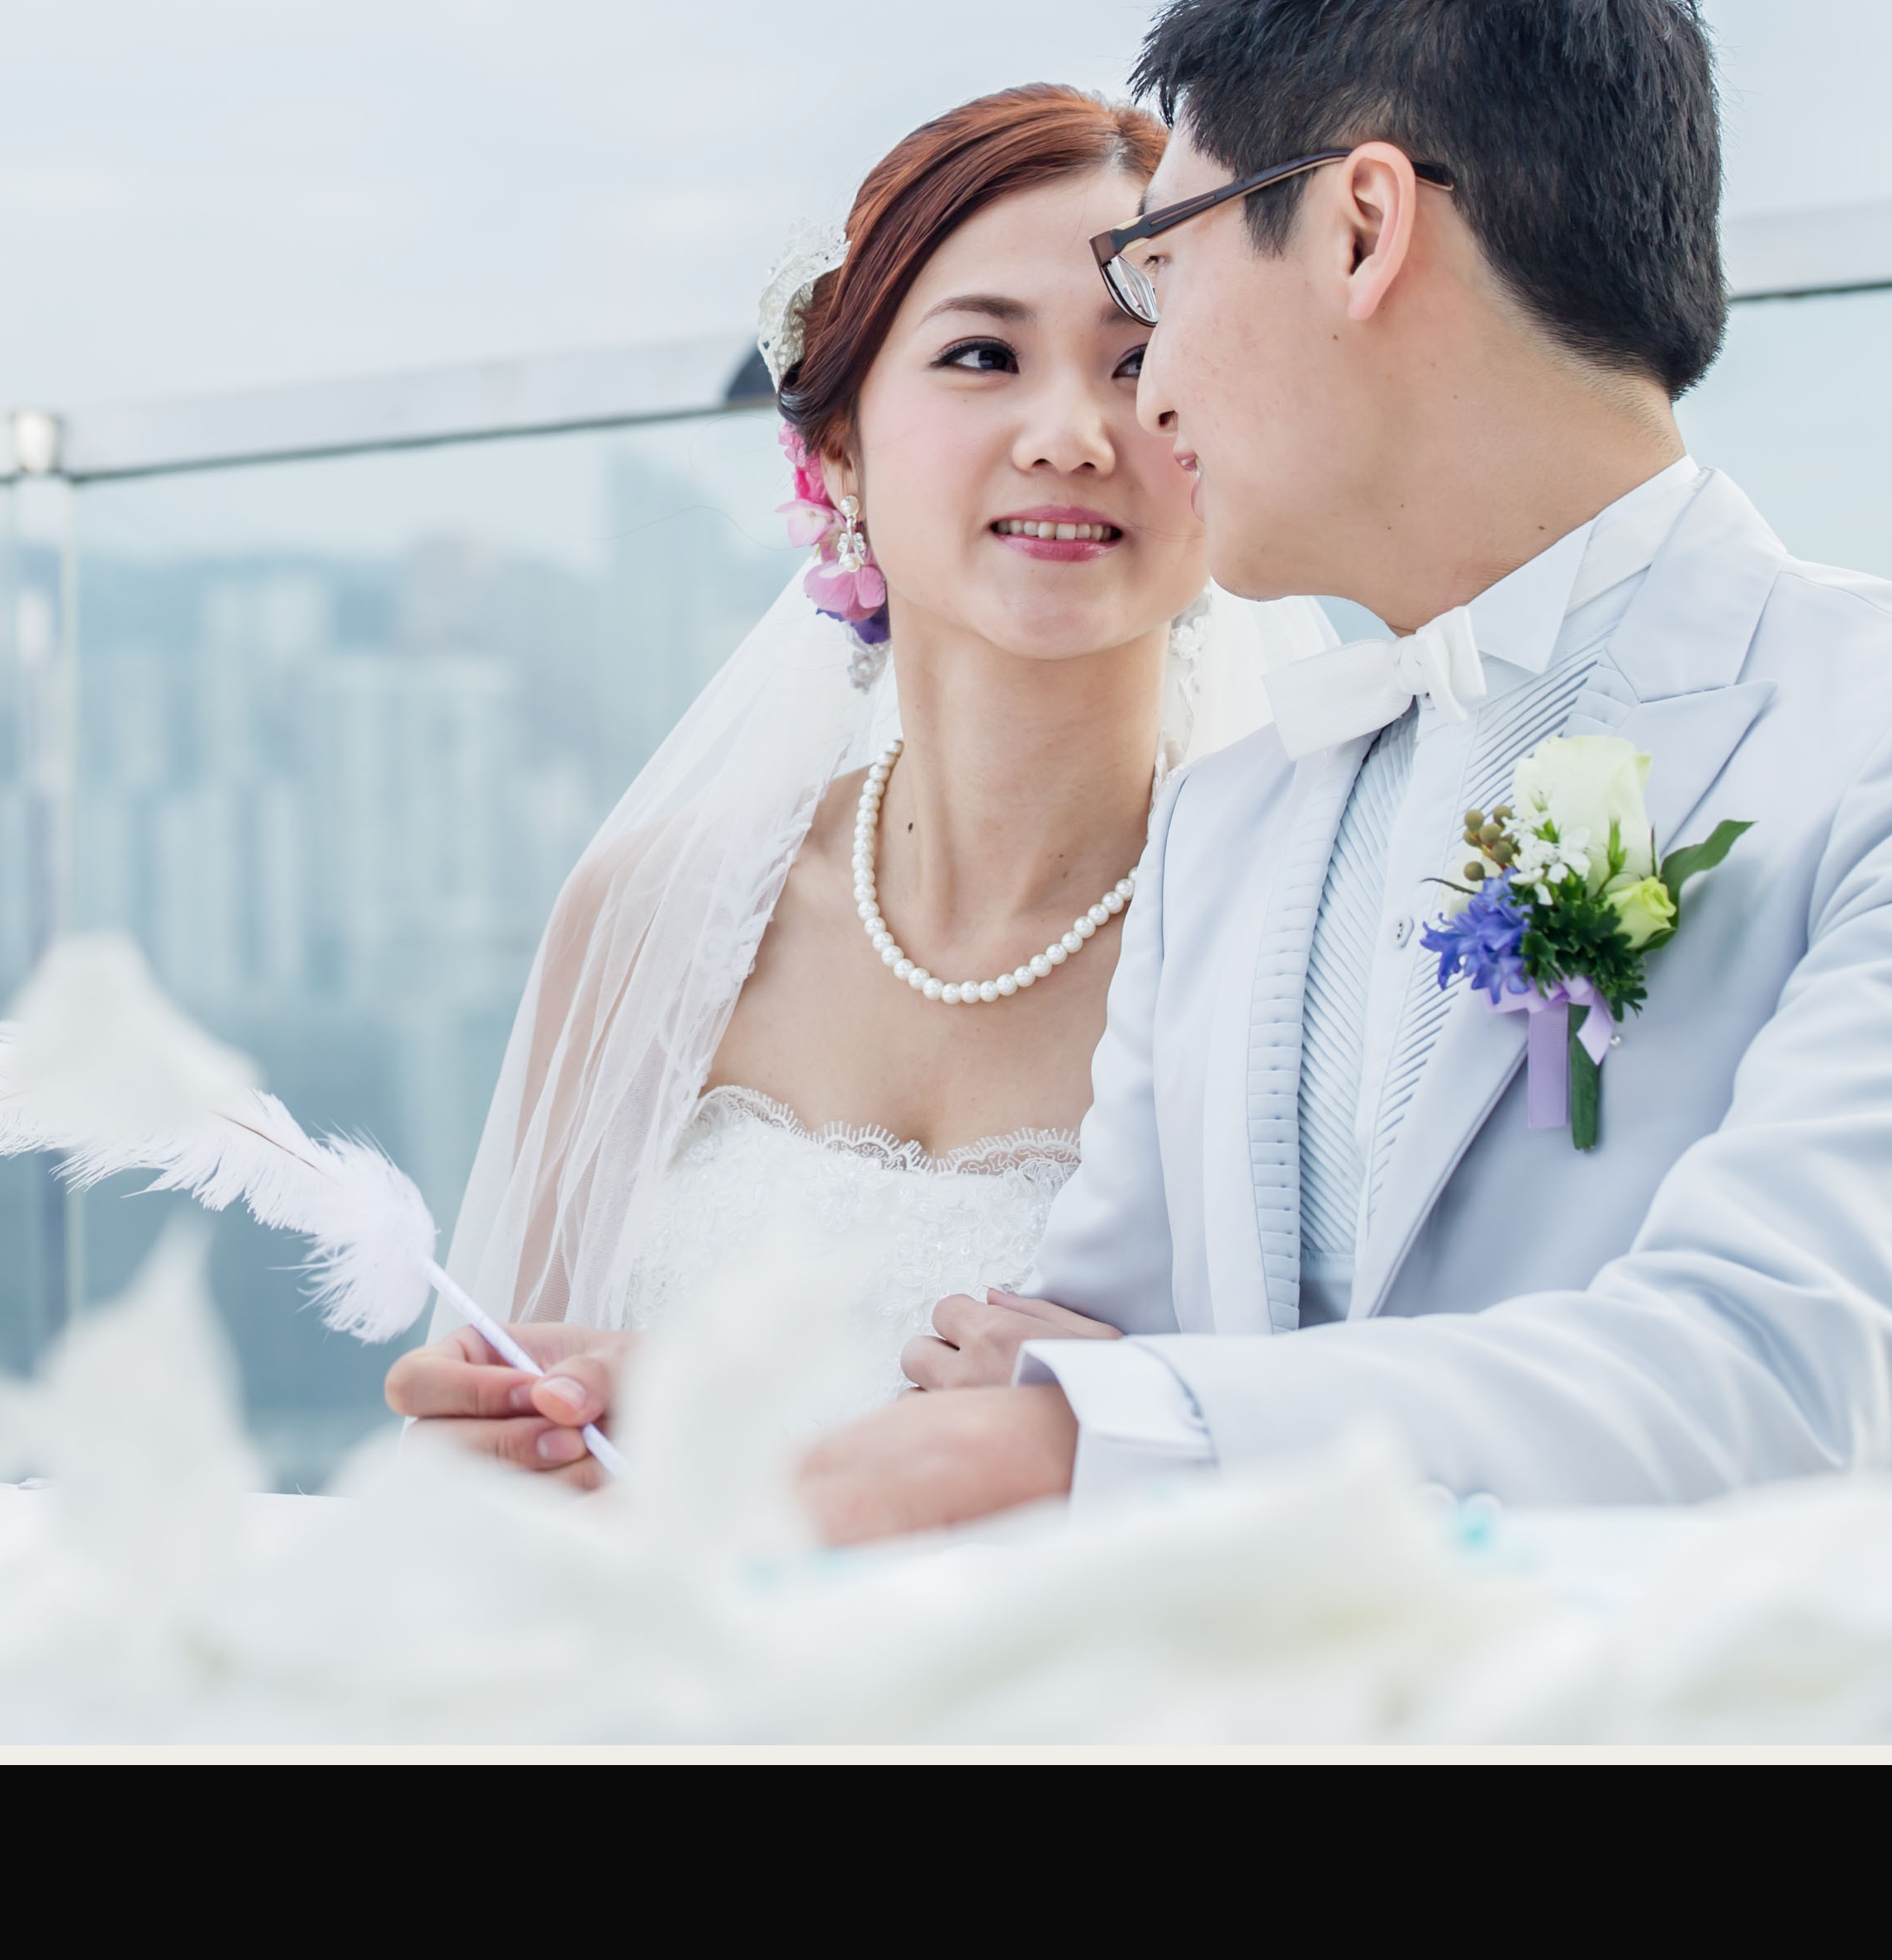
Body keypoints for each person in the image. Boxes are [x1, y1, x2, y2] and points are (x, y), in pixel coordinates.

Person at [802, 0, 1892, 1541]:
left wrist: (1117, 1419)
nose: (1149, 389)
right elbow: (1066, 1371)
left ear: (1361, 229)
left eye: (1162, 270)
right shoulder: (1229, 818)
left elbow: (1781, 1370)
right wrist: (692, 1413)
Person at [386, 85, 1289, 1479]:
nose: (1069, 433)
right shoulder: (657, 915)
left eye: (1137, 361)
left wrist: (1133, 1423)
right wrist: (542, 1428)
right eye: (983, 354)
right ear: (837, 446)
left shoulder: (1292, 938)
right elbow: (516, 1443)